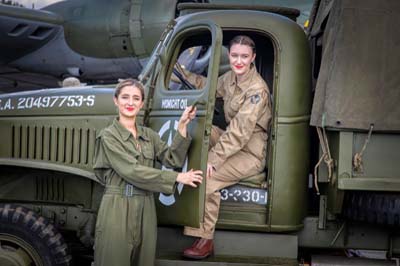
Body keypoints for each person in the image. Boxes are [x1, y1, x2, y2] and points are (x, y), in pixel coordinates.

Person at [93, 78, 203, 266]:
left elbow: (171, 159)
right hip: (117, 206)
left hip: (146, 206)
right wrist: (177, 177)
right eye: (125, 97)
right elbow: (132, 171)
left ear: (142, 104)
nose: (130, 103)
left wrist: (182, 125)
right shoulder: (108, 136)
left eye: (136, 99)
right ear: (116, 100)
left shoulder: (148, 135)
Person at [181, 35, 272, 259]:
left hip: (250, 153)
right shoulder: (231, 78)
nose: (238, 61)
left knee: (208, 180)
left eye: (244, 56)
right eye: (234, 56)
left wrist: (213, 159)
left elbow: (239, 133)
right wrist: (181, 72)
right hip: (234, 144)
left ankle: (205, 239)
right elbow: (208, 86)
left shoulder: (256, 89)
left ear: (253, 58)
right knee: (200, 129)